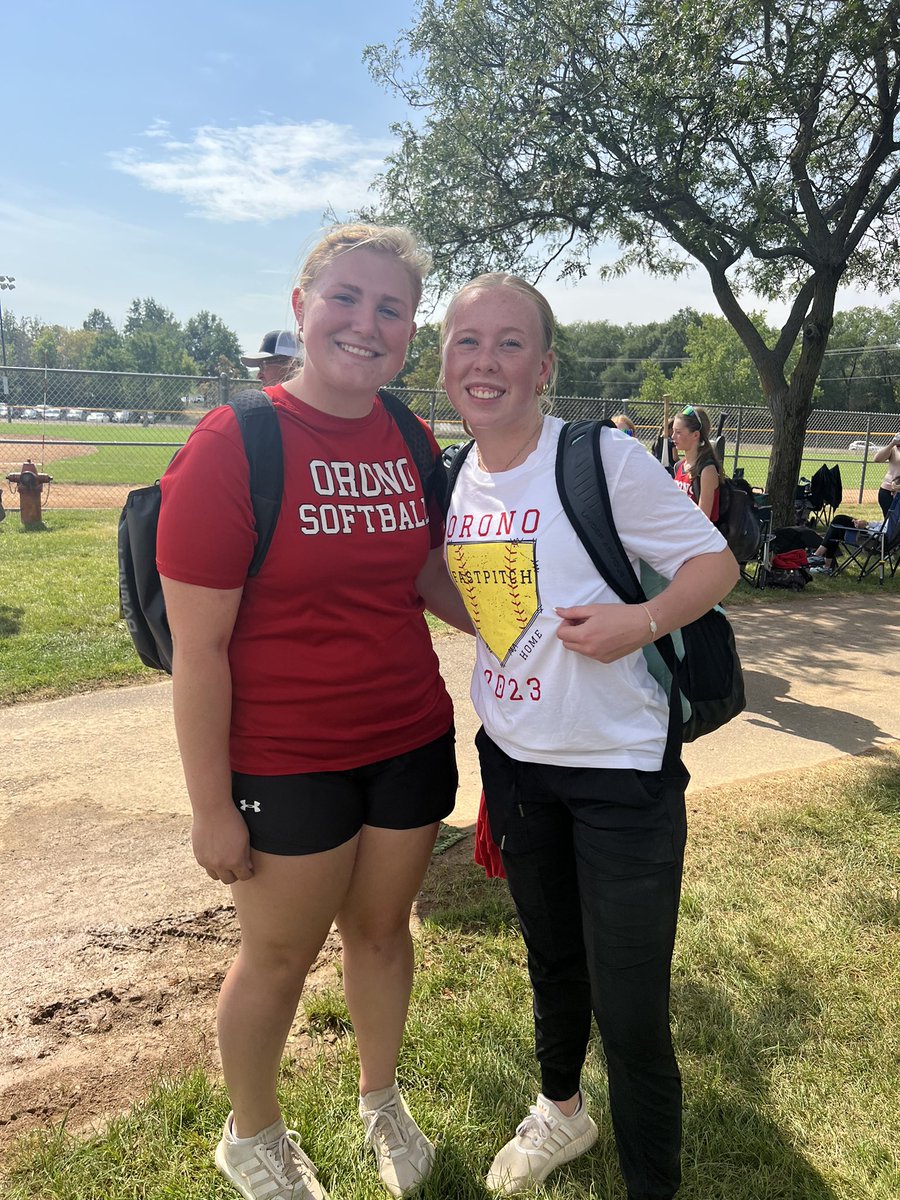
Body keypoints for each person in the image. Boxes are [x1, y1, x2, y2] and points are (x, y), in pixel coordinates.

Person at [157, 223, 472, 1200]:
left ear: (410, 331)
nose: (366, 323)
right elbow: (199, 651)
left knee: (382, 933)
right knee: (280, 956)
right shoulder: (234, 445)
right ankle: (253, 1136)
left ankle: (381, 1099)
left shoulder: (409, 437)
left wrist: (528, 629)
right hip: (285, 757)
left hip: (408, 737)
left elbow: (426, 570)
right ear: (301, 308)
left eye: (391, 308)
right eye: (346, 298)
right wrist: (211, 807)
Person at [440, 273, 739, 1200]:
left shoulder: (598, 458)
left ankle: (653, 1183)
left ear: (545, 366)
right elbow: (461, 592)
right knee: (553, 960)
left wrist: (636, 623)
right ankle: (562, 1110)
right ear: (444, 362)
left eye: (510, 342)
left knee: (631, 1005)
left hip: (620, 773)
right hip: (515, 766)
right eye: (466, 342)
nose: (486, 361)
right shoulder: (454, 475)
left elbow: (715, 564)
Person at [671, 405, 722, 522]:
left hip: (696, 532)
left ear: (695, 435)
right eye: (673, 431)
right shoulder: (679, 466)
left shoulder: (707, 470)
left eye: (678, 432)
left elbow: (703, 520)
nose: (673, 436)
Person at [872, 433, 900, 516]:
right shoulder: (894, 449)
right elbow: (877, 459)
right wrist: (892, 444)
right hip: (888, 490)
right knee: (889, 520)